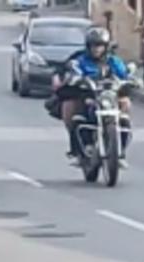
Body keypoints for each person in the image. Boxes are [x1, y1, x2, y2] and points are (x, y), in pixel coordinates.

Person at [57, 26, 133, 167]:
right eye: (93, 45)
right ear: (88, 46)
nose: (97, 49)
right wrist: (75, 78)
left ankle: (120, 153)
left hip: (110, 96)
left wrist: (131, 79)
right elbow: (74, 70)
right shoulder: (81, 60)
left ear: (106, 47)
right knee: (76, 116)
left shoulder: (113, 61)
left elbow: (124, 74)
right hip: (89, 95)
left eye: (100, 46)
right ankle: (80, 150)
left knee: (125, 113)